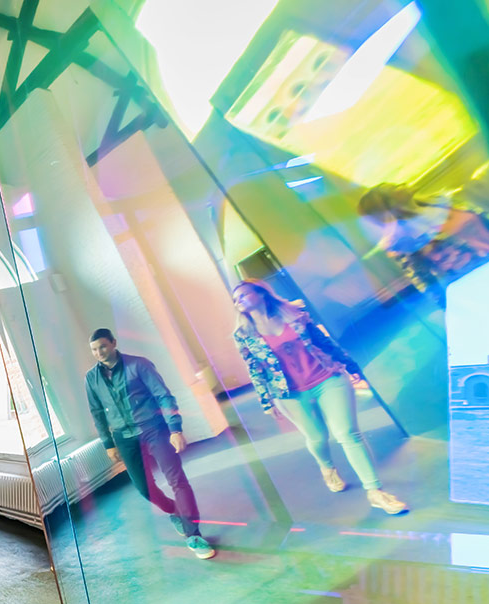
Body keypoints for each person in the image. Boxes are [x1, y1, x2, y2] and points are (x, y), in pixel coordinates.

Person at [231, 281, 408, 515]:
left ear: (261, 293)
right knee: (317, 437)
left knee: (348, 433)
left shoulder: (295, 315)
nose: (239, 301)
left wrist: (350, 365)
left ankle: (375, 492)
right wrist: (266, 400)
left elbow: (323, 342)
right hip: (290, 393)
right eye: (235, 299)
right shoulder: (243, 335)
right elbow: (254, 369)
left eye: (243, 295)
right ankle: (327, 467)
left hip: (327, 377)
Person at [85, 329, 215, 559]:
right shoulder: (91, 378)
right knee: (144, 488)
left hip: (154, 430)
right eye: (94, 349)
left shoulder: (139, 365)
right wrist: (108, 443)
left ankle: (193, 535)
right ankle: (174, 510)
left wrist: (175, 429)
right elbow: (97, 413)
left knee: (177, 480)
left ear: (113, 343)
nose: (99, 353)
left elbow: (163, 396)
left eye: (102, 346)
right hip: (124, 437)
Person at [357, 183, 489, 297]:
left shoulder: (442, 202)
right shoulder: (406, 244)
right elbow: (429, 284)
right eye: (395, 189)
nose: (403, 184)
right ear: (390, 204)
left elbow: (482, 219)